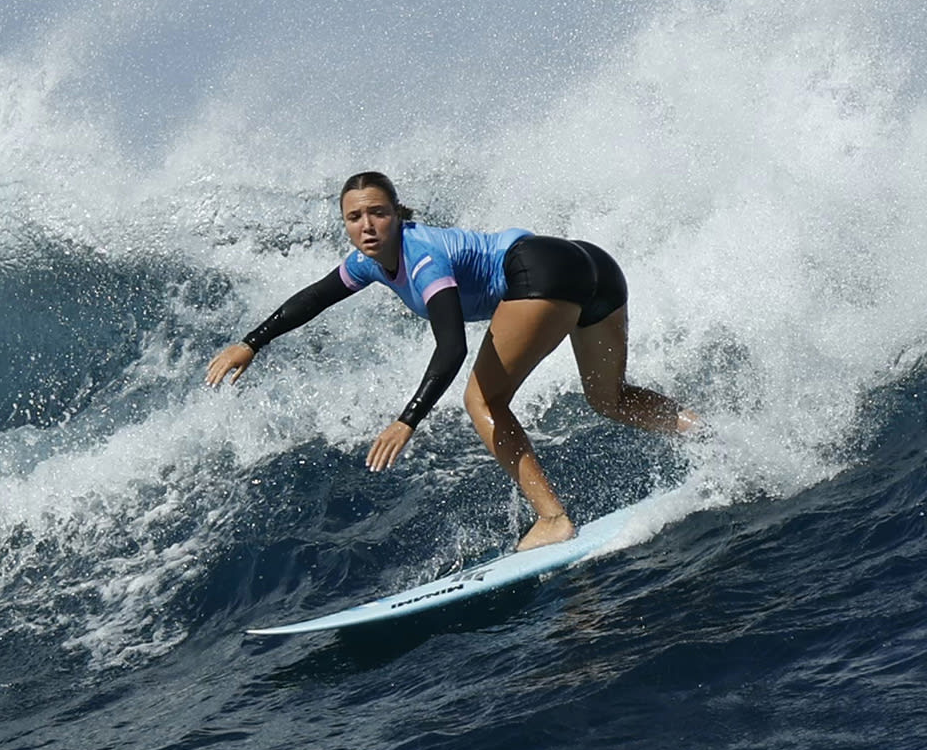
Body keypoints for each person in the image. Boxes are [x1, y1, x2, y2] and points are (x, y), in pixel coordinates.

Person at [204, 171, 697, 550]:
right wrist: (252, 342)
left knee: (482, 401)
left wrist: (407, 420)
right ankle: (708, 433)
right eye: (355, 218)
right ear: (345, 225)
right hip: (591, 265)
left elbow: (452, 346)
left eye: (378, 212)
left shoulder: (422, 258)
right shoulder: (367, 262)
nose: (367, 225)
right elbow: (314, 297)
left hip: (541, 269)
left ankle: (552, 519)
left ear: (398, 213)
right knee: (609, 398)